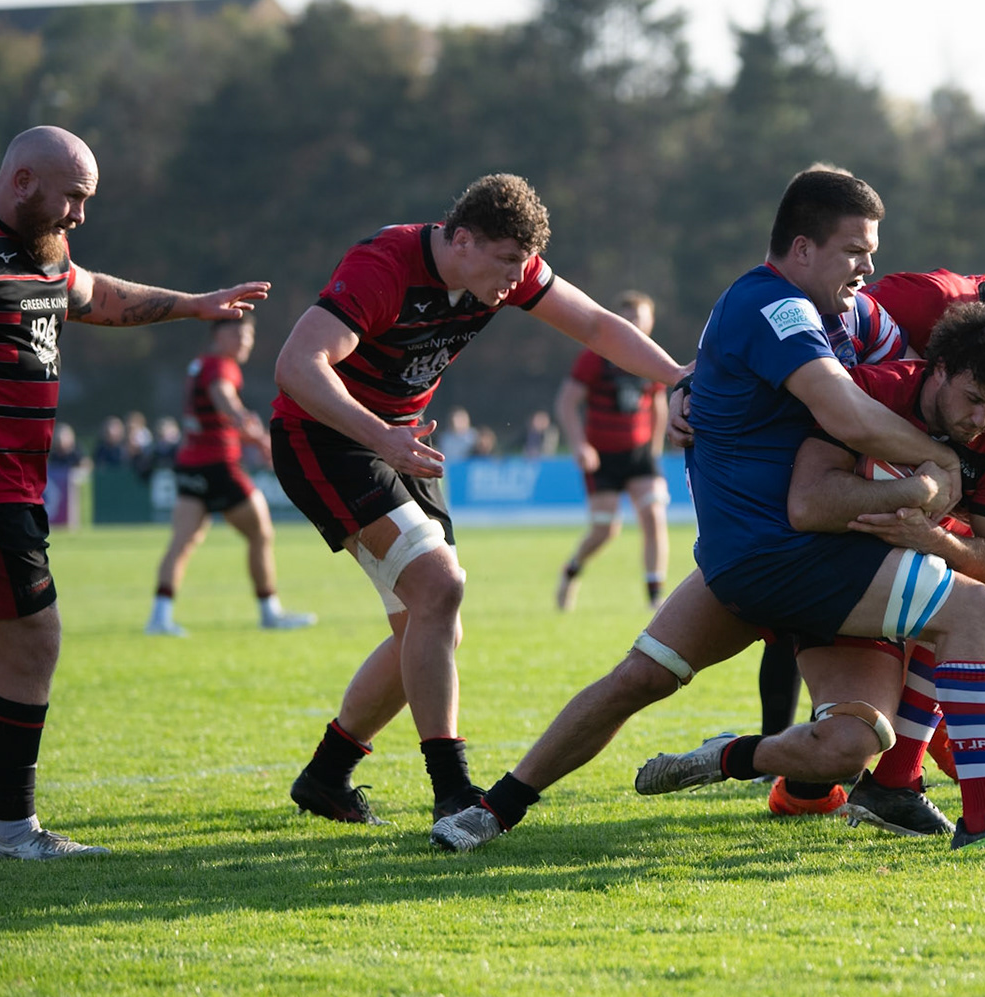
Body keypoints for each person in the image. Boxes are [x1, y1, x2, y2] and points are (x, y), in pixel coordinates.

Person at [431, 166, 985, 854]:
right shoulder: (775, 305)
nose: (869, 266)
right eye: (855, 250)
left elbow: (900, 355)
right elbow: (842, 408)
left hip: (788, 556)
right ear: (803, 248)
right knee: (980, 604)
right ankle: (981, 818)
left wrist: (685, 383)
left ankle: (496, 807)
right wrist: (930, 470)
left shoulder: (844, 314)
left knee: (840, 740)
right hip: (783, 552)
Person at [0, 125, 269, 859]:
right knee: (35, 646)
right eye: (72, 198)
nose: (79, 215)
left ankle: (14, 832)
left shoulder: (41, 250)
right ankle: (17, 835)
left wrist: (194, 304)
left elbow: (98, 294)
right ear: (22, 181)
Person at [272, 173, 688, 827]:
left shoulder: (507, 268)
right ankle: (452, 787)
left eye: (520, 269)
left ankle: (327, 774)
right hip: (326, 439)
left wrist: (680, 376)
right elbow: (297, 365)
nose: (511, 283)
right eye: (503, 265)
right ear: (461, 239)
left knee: (432, 622)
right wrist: (383, 434)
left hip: (402, 442)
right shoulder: (383, 266)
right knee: (440, 591)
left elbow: (599, 326)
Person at [743, 253, 985, 754]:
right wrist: (697, 385)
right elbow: (816, 340)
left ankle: (904, 756)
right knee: (741, 630)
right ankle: (793, 743)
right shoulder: (929, 301)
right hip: (821, 477)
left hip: (908, 501)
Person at [769, 300, 985, 833]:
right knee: (645, 672)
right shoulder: (869, 391)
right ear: (938, 368)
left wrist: (933, 538)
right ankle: (743, 758)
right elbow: (806, 506)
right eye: (972, 399)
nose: (978, 420)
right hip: (814, 565)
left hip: (903, 578)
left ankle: (894, 778)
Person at [147, 316, 315, 637]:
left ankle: (159, 617)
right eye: (239, 334)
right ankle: (270, 611)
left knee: (182, 542)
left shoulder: (198, 365)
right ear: (218, 335)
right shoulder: (221, 367)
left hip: (190, 463)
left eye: (249, 335)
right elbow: (225, 399)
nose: (245, 342)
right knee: (261, 531)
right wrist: (254, 433)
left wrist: (246, 432)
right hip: (218, 467)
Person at [554, 290, 671, 611]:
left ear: (650, 323)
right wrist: (579, 445)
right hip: (601, 456)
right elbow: (566, 402)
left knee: (653, 513)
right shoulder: (595, 357)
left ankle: (654, 596)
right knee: (605, 529)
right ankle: (571, 570)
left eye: (640, 318)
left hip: (639, 454)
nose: (634, 324)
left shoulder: (652, 357)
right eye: (627, 318)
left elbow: (658, 404)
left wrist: (655, 448)